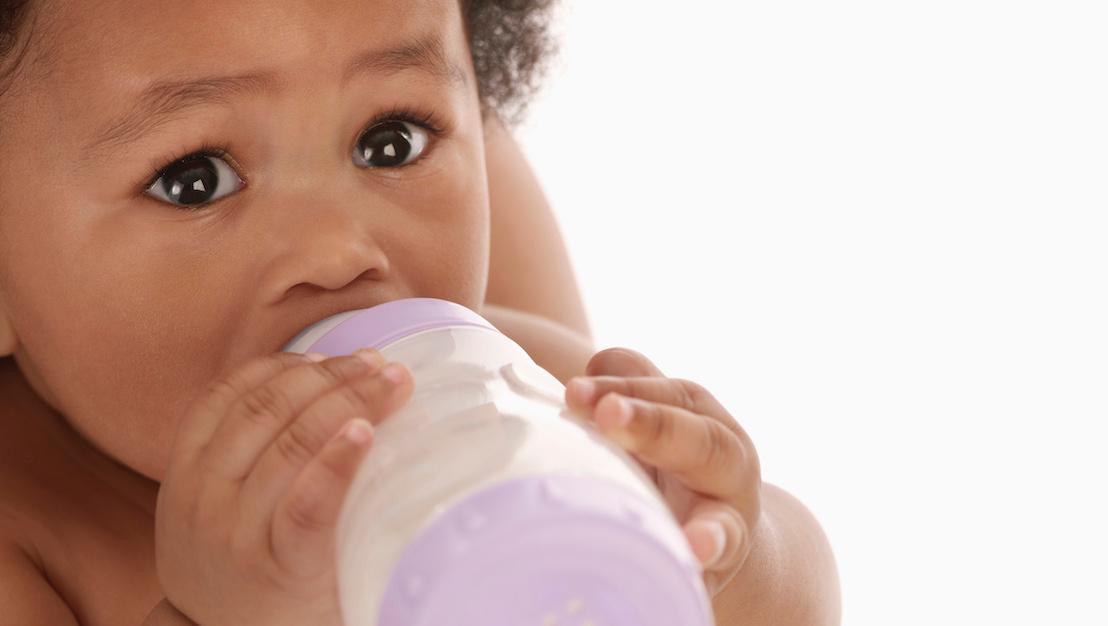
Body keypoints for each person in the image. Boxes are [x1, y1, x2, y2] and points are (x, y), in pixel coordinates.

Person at [0, 1, 841, 624]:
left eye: (391, 140)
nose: (340, 251)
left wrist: (730, 556)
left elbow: (802, 601)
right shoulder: (29, 538)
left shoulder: (522, 392)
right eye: (196, 180)